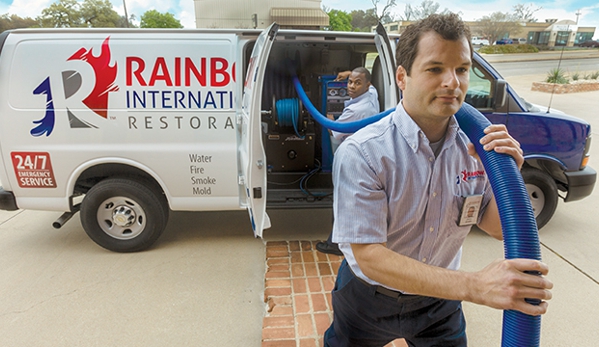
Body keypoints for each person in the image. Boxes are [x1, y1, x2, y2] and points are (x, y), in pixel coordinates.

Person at [323, 13, 553, 347]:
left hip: (438, 303)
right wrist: (474, 286)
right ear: (403, 77)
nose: (453, 82)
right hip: (367, 297)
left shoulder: (478, 149)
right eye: (435, 69)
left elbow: (496, 227)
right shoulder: (364, 152)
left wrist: (508, 177)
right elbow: (370, 255)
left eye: (461, 69)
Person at [316, 67, 380, 256]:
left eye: (357, 83)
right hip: (365, 155)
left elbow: (334, 133)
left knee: (343, 199)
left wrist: (329, 119)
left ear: (366, 85)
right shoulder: (372, 94)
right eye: (350, 82)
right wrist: (350, 73)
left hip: (352, 159)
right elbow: (366, 81)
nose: (351, 86)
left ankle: (335, 244)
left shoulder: (357, 110)